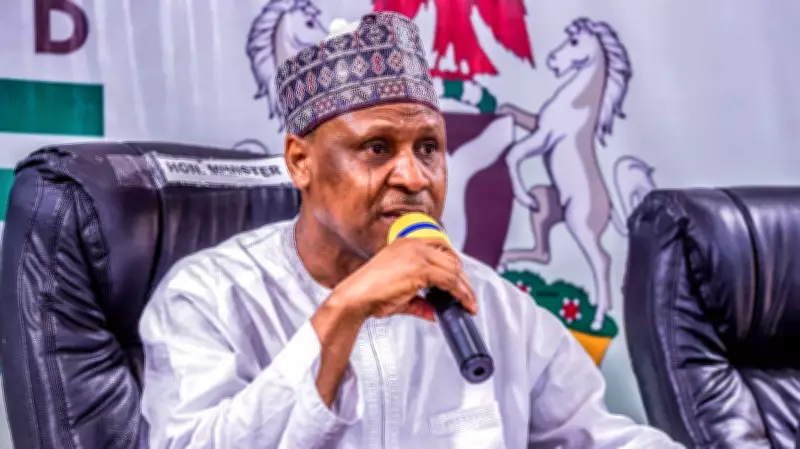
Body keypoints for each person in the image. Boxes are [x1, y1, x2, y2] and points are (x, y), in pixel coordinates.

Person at [139, 11, 682, 449]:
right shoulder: (212, 297)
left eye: (428, 148)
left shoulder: (494, 306)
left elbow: (600, 437)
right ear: (300, 162)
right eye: (377, 148)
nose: (415, 177)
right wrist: (343, 312)